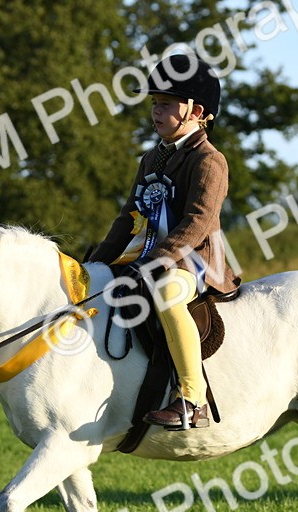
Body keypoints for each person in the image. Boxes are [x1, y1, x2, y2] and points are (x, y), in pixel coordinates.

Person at [87, 53, 239, 430]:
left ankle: (191, 399)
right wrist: (96, 264)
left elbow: (198, 222)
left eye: (166, 104)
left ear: (196, 110)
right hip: (147, 256)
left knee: (168, 296)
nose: (156, 112)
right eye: (154, 104)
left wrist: (154, 262)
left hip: (196, 261)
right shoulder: (151, 159)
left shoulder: (208, 160)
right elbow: (127, 218)